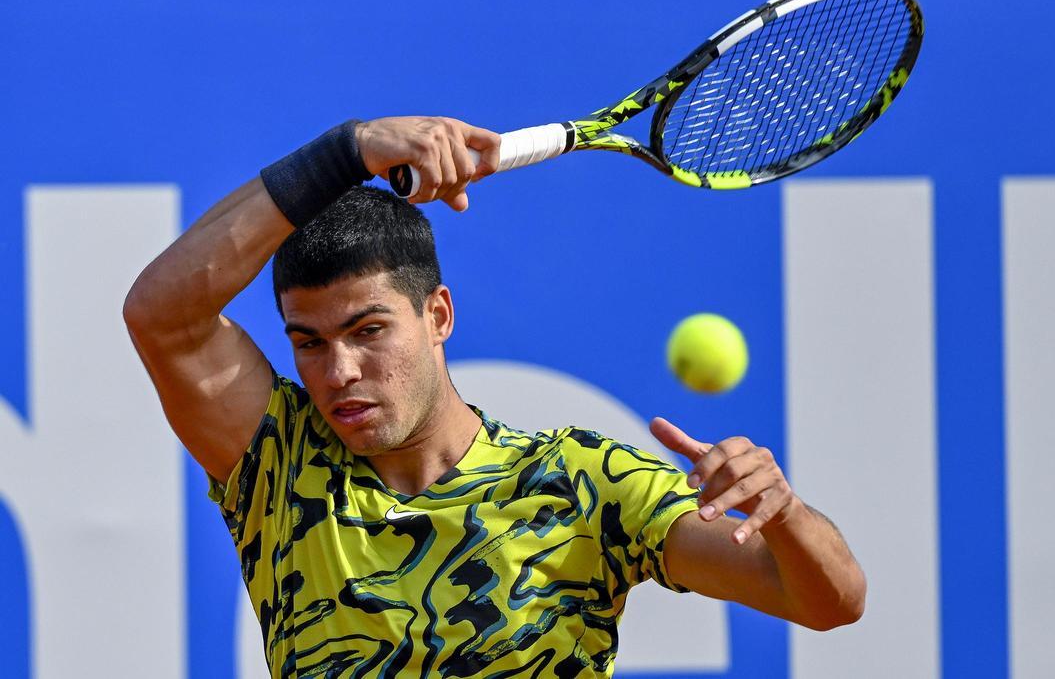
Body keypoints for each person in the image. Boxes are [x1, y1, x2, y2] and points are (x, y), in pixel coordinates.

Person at [123, 117, 866, 677]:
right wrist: (349, 149)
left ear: (438, 315)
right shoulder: (280, 469)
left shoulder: (581, 484)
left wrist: (787, 516)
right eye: (308, 342)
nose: (338, 370)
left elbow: (828, 602)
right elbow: (162, 315)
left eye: (367, 329)